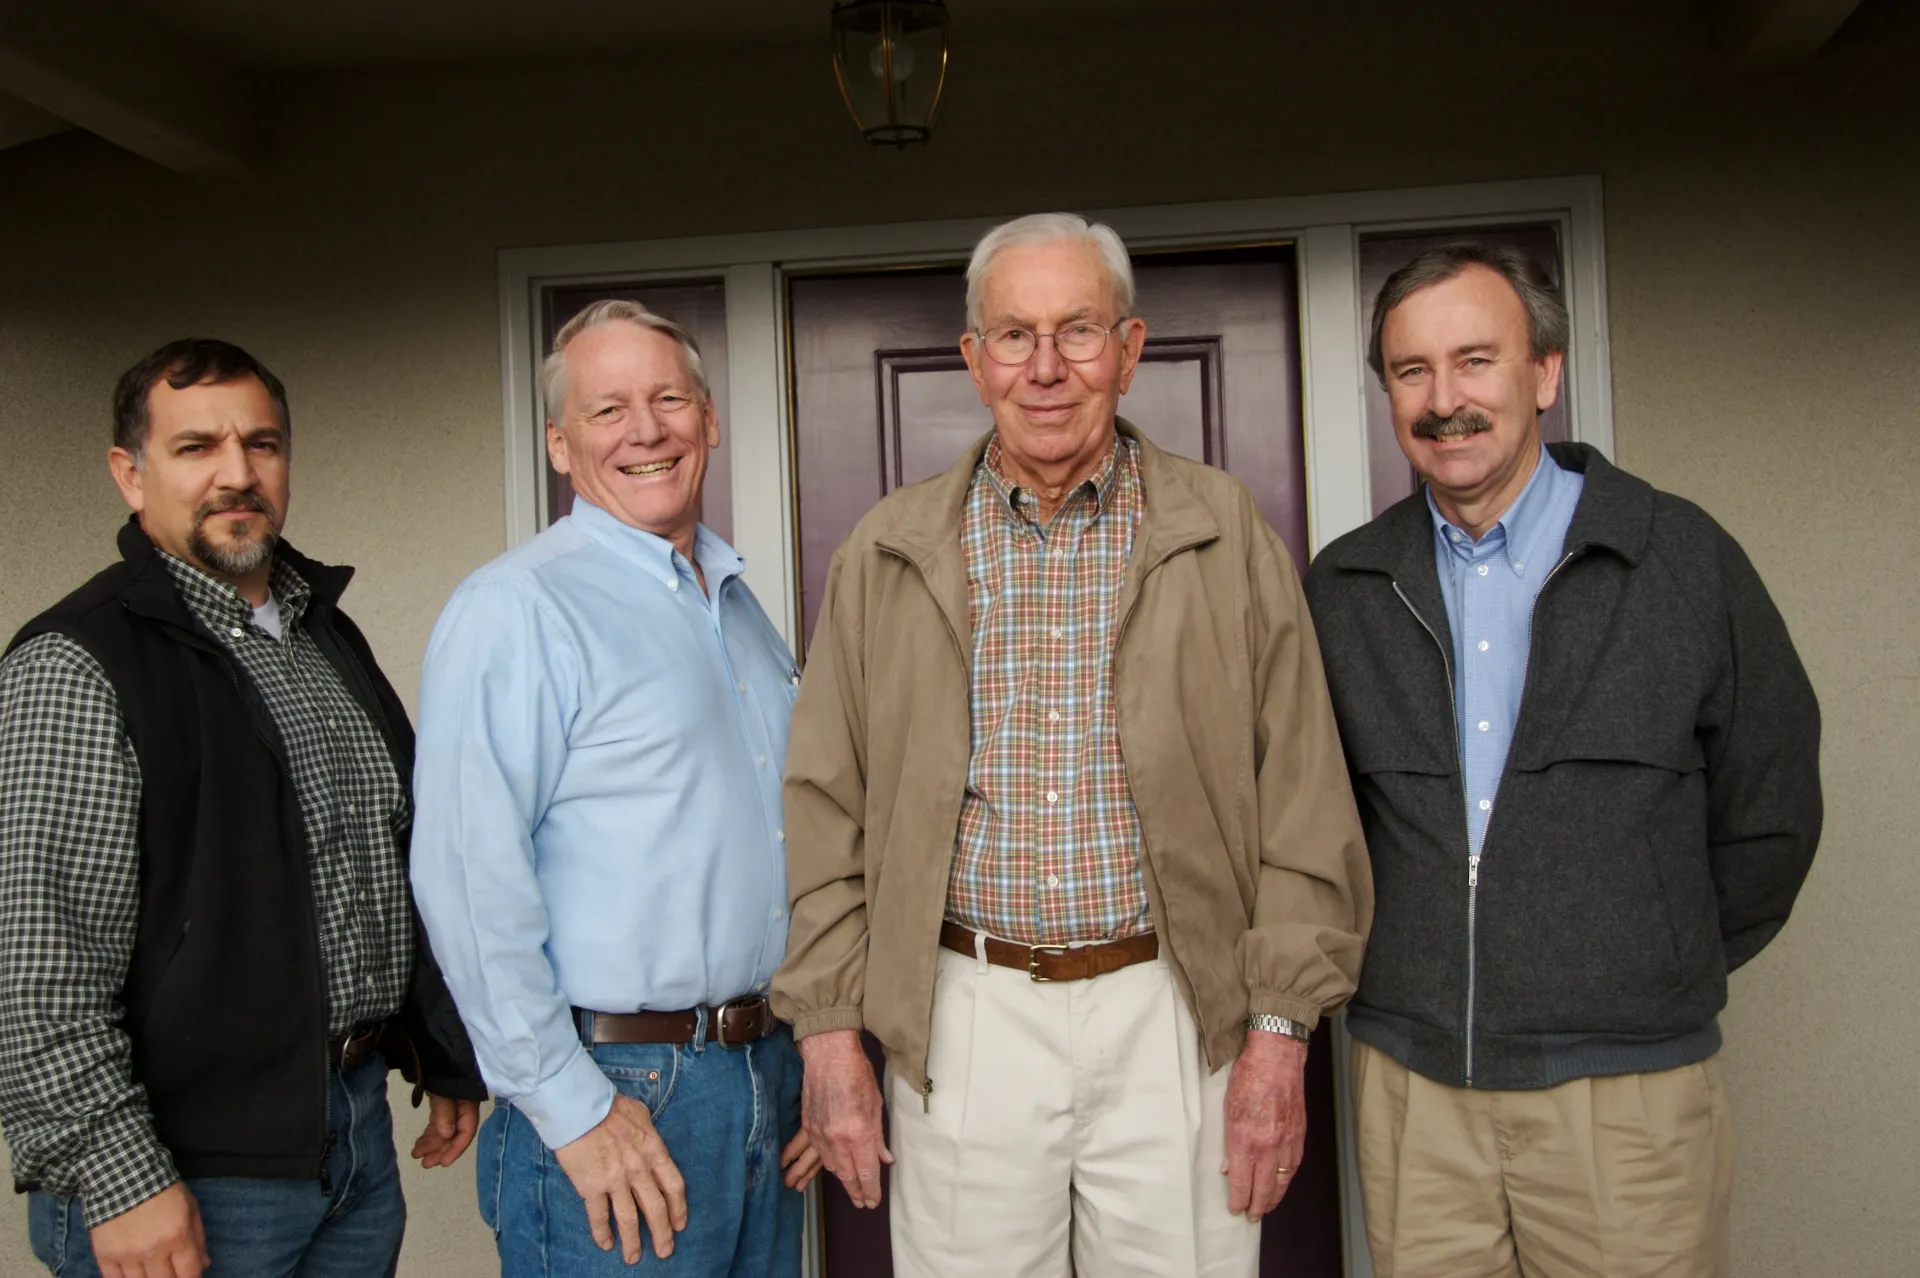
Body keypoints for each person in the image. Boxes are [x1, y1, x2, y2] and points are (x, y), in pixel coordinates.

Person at [773, 212, 1373, 1277]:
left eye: (1078, 332)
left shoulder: (1223, 531)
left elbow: (1305, 802)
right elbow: (825, 809)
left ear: (1129, 352)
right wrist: (828, 1029)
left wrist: (1280, 1035)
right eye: (1013, 335)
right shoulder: (889, 550)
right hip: (967, 1015)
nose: (1045, 367)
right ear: (974, 360)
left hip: (1178, 1011)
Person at [1303, 241, 1822, 1277]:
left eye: (1475, 361)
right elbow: (1316, 824)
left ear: (1545, 372)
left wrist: (1643, 962)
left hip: (1625, 1102)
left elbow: (1769, 813)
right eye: (1412, 371)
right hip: (1416, 1094)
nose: (1445, 399)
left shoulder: (1680, 560)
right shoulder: (1349, 587)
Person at [0, 338, 486, 1278]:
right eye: (195, 449)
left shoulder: (318, 631)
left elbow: (384, 855)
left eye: (261, 445)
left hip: (347, 1137)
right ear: (128, 474)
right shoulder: (75, 665)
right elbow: (34, 963)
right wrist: (119, 1178)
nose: (237, 474)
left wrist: (439, 1048)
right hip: (186, 1171)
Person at [410, 300, 819, 1278]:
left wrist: (816, 1053)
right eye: (607, 411)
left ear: (709, 420)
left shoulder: (742, 610)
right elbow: (468, 878)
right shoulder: (517, 608)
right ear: (559, 444)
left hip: (763, 1070)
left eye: (669, 399)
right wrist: (567, 1104)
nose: (647, 430)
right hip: (620, 1086)